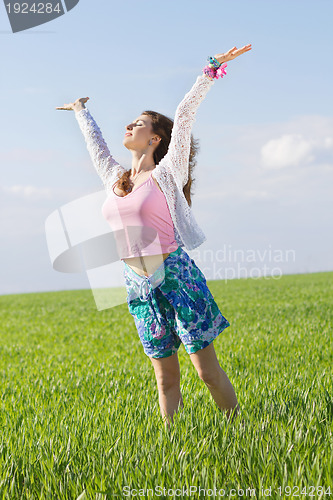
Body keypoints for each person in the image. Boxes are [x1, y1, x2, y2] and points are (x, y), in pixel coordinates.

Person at [56, 44, 252, 427]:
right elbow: (96, 147)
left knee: (206, 373)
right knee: (165, 379)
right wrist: (81, 110)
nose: (129, 126)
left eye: (139, 124)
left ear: (156, 139)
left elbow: (184, 115)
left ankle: (242, 432)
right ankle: (171, 449)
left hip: (176, 276)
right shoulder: (117, 179)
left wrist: (209, 71)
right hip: (137, 284)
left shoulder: (165, 174)